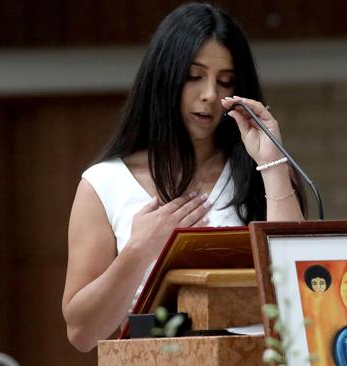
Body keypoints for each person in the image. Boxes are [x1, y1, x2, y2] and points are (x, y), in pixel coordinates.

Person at [61, 3, 305, 352]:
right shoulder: (104, 184)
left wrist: (273, 164)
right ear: (164, 78)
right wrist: (138, 251)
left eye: (226, 81)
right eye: (194, 76)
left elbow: (298, 291)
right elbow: (82, 334)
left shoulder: (261, 171)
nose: (210, 94)